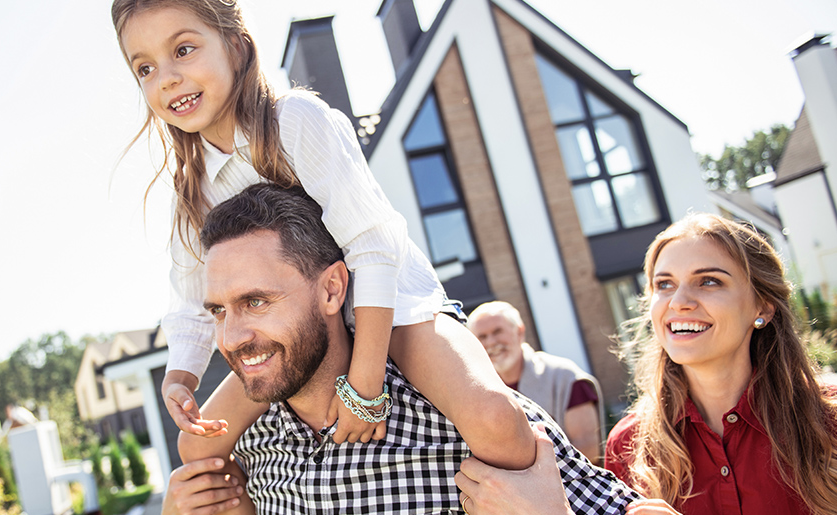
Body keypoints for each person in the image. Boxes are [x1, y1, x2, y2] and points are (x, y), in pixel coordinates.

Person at [110, 0, 535, 475]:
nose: (165, 77)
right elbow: (190, 303)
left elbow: (373, 246)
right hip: (297, 326)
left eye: (183, 50)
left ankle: (538, 497)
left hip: (389, 305)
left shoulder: (293, 120)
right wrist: (180, 378)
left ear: (234, 45)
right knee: (196, 451)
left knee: (494, 419)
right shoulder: (191, 189)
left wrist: (365, 385)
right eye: (145, 68)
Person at [164, 183, 639, 514]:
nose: (231, 337)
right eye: (220, 311)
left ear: (332, 290)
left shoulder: (448, 409)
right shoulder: (240, 452)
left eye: (257, 301)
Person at [603, 213, 837, 514]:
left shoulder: (828, 421)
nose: (678, 301)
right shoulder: (627, 446)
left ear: (762, 306)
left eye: (709, 281)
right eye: (664, 284)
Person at [467, 301, 604, 464]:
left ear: (519, 332)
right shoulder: (473, 391)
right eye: (482, 337)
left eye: (498, 331)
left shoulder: (564, 377)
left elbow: (588, 448)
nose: (491, 342)